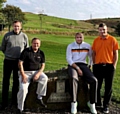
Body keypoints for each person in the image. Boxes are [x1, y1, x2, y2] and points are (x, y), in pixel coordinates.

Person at [0, 20, 29, 110]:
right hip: (8, 61)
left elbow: (26, 49)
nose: (16, 28)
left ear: (21, 27)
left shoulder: (24, 36)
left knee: (16, 82)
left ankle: (14, 101)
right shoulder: (7, 35)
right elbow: (3, 48)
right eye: (15, 26)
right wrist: (9, 54)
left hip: (19, 63)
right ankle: (4, 102)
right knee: (6, 81)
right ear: (13, 26)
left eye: (18, 26)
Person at [66, 32, 98, 114]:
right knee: (73, 78)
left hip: (83, 64)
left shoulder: (87, 46)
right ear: (75, 38)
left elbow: (91, 57)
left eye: (80, 37)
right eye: (77, 37)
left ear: (83, 38)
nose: (79, 39)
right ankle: (74, 103)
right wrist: (77, 68)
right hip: (73, 65)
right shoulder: (70, 46)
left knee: (94, 80)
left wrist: (90, 65)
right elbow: (69, 59)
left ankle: (92, 103)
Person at [92, 23, 119, 113]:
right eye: (100, 30)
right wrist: (94, 63)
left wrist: (114, 65)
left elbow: (116, 54)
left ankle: (106, 105)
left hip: (109, 66)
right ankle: (98, 103)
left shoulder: (112, 39)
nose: (102, 31)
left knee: (108, 87)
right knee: (97, 86)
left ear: (107, 30)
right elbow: (93, 53)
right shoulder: (96, 40)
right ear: (98, 30)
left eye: (104, 29)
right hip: (98, 66)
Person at [17, 38, 48, 113]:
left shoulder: (41, 53)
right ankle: (20, 108)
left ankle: (39, 97)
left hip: (36, 72)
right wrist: (23, 75)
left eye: (37, 43)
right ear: (31, 43)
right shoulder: (26, 51)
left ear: (40, 44)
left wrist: (38, 73)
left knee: (45, 78)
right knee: (23, 89)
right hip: (25, 73)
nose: (36, 45)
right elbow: (20, 63)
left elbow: (43, 65)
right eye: (34, 43)